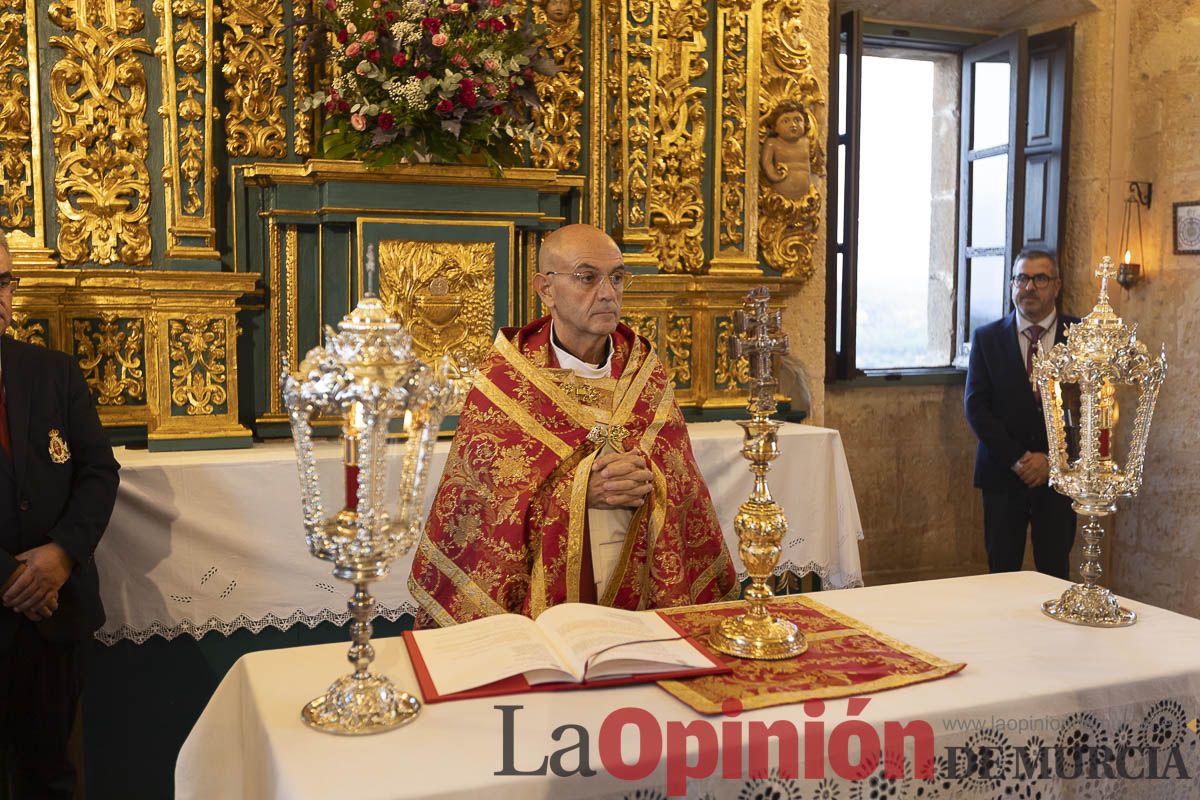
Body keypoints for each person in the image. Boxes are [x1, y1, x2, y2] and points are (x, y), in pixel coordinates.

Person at [409, 224, 736, 625]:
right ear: (546, 289)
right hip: (541, 599)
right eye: (587, 277)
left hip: (642, 580)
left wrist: (646, 478)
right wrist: (580, 492)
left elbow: (680, 479)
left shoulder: (645, 374)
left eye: (617, 277)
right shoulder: (505, 382)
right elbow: (487, 507)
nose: (608, 293)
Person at [0, 229, 120, 798]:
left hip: (53, 620)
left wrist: (63, 555)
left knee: (51, 780)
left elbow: (98, 471)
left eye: (3, 281)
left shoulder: (53, 371)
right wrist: (15, 578)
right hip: (20, 599)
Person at [964, 248, 1079, 579]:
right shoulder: (987, 338)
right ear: (1012, 285)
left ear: (1056, 285)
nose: (1029, 287)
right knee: (1002, 573)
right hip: (1003, 475)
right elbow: (976, 407)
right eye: (1022, 278)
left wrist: (1052, 461)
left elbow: (1091, 407)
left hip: (1058, 479)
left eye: (1040, 278)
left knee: (1055, 572)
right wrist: (1019, 459)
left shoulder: (1080, 335)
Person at [760, 101, 812, 201]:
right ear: (775, 127)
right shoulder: (773, 143)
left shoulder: (806, 142)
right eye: (785, 121)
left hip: (804, 196)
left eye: (797, 120)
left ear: (805, 123)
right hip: (780, 194)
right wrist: (773, 175)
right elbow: (766, 163)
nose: (793, 124)